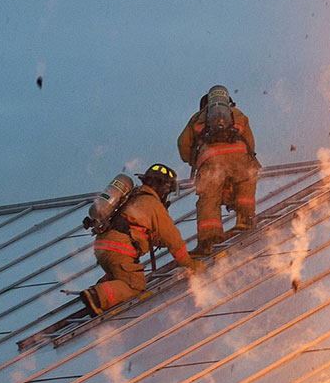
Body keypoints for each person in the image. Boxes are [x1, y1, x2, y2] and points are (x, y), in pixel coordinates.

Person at [79, 164, 202, 316]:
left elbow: (139, 231)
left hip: (103, 246)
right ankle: (97, 296)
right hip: (120, 249)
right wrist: (190, 264)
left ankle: (105, 287)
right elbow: (173, 239)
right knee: (135, 285)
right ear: (163, 188)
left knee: (121, 274)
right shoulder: (153, 205)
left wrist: (160, 241)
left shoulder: (133, 198)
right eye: (168, 192)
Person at [177, 84, 258, 257]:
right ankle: (245, 219)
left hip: (211, 158)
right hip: (239, 155)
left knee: (209, 198)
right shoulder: (238, 114)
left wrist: (194, 160)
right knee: (246, 181)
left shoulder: (197, 117)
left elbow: (183, 144)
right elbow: (250, 142)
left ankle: (208, 241)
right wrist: (247, 159)